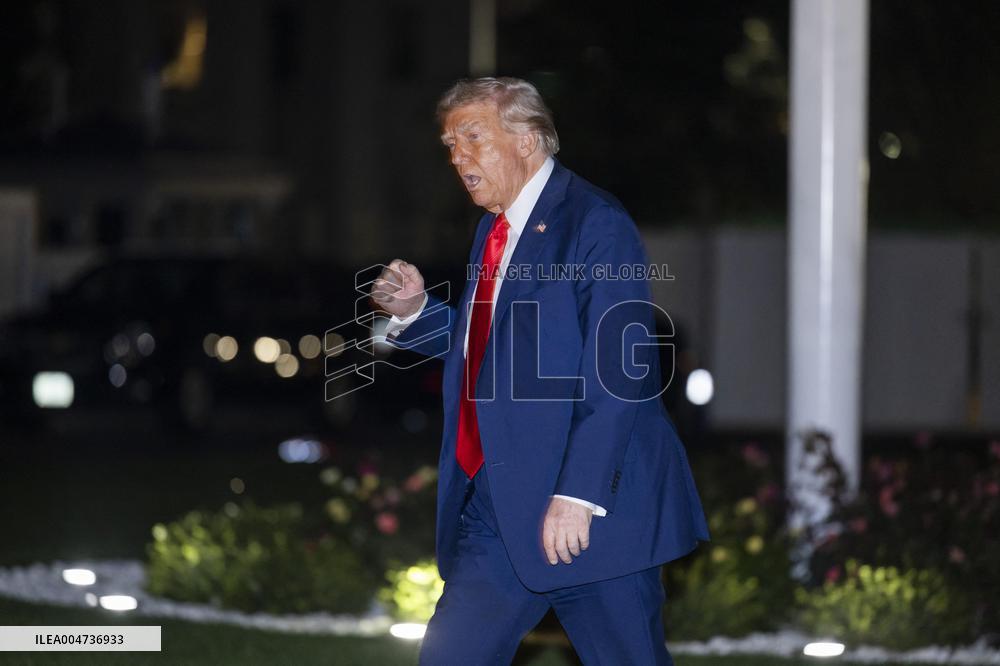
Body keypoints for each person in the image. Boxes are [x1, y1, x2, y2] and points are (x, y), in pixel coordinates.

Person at [371, 77, 710, 665]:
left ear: (527, 140)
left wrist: (577, 495)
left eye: (473, 138)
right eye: (450, 144)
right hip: (500, 504)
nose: (458, 157)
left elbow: (622, 370)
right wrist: (416, 313)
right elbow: (496, 351)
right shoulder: (495, 230)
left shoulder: (595, 222)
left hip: (594, 513)